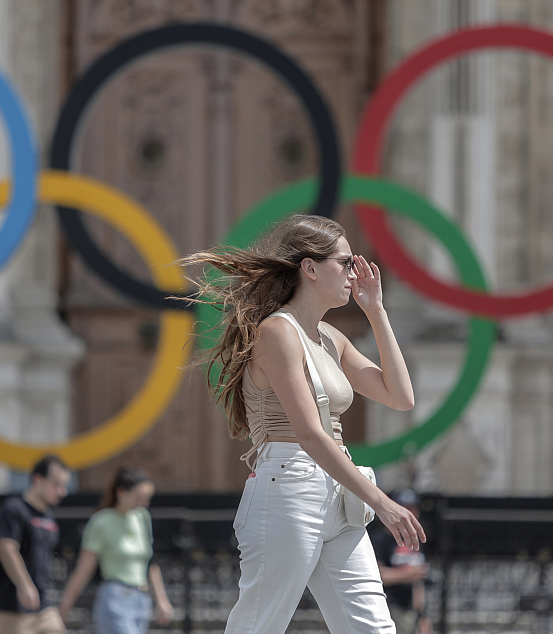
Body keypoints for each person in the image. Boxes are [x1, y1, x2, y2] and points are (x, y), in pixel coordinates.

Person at [182, 214, 426, 633]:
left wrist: (377, 312)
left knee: (374, 628)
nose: (355, 272)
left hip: (338, 493)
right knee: (259, 625)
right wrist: (382, 502)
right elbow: (310, 432)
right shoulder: (277, 332)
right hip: (289, 486)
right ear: (310, 268)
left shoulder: (330, 337)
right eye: (345, 263)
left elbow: (401, 397)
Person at [58, 467, 174, 634]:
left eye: (147, 499)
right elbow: (84, 569)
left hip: (142, 600)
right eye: (138, 498)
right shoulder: (101, 521)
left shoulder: (142, 517)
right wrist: (66, 604)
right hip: (115, 598)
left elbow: (149, 563)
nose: (144, 504)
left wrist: (161, 600)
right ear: (121, 493)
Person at [0, 454, 72, 634]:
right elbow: (6, 548)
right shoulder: (14, 509)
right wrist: (24, 585)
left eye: (64, 486)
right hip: (12, 606)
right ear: (38, 480)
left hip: (43, 604)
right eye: (56, 484)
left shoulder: (47, 516)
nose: (62, 491)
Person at [370, 489, 432, 634]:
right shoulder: (381, 539)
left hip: (410, 608)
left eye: (413, 508)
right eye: (405, 508)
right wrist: (408, 575)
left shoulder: (415, 540)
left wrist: (422, 616)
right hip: (388, 606)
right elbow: (377, 576)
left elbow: (418, 582)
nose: (410, 513)